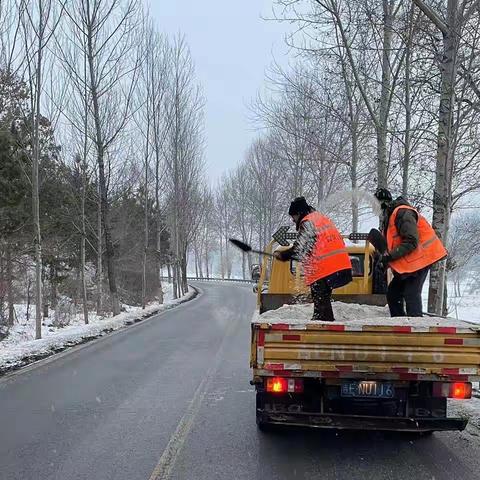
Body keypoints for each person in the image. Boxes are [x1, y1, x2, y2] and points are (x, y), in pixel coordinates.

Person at [274, 197, 352, 322]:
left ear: (299, 213)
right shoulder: (320, 219)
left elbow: (300, 248)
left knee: (320, 303)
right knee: (323, 301)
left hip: (325, 268)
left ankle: (322, 327)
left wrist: (283, 255)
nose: (293, 221)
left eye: (293, 216)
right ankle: (325, 322)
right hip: (340, 266)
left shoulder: (307, 222)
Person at [374, 188, 447, 317]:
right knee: (393, 293)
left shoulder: (403, 213)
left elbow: (411, 241)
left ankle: (416, 329)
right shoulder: (390, 216)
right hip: (412, 262)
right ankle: (400, 325)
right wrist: (384, 262)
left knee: (411, 293)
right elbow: (394, 245)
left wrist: (389, 256)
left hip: (423, 258)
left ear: (383, 203)